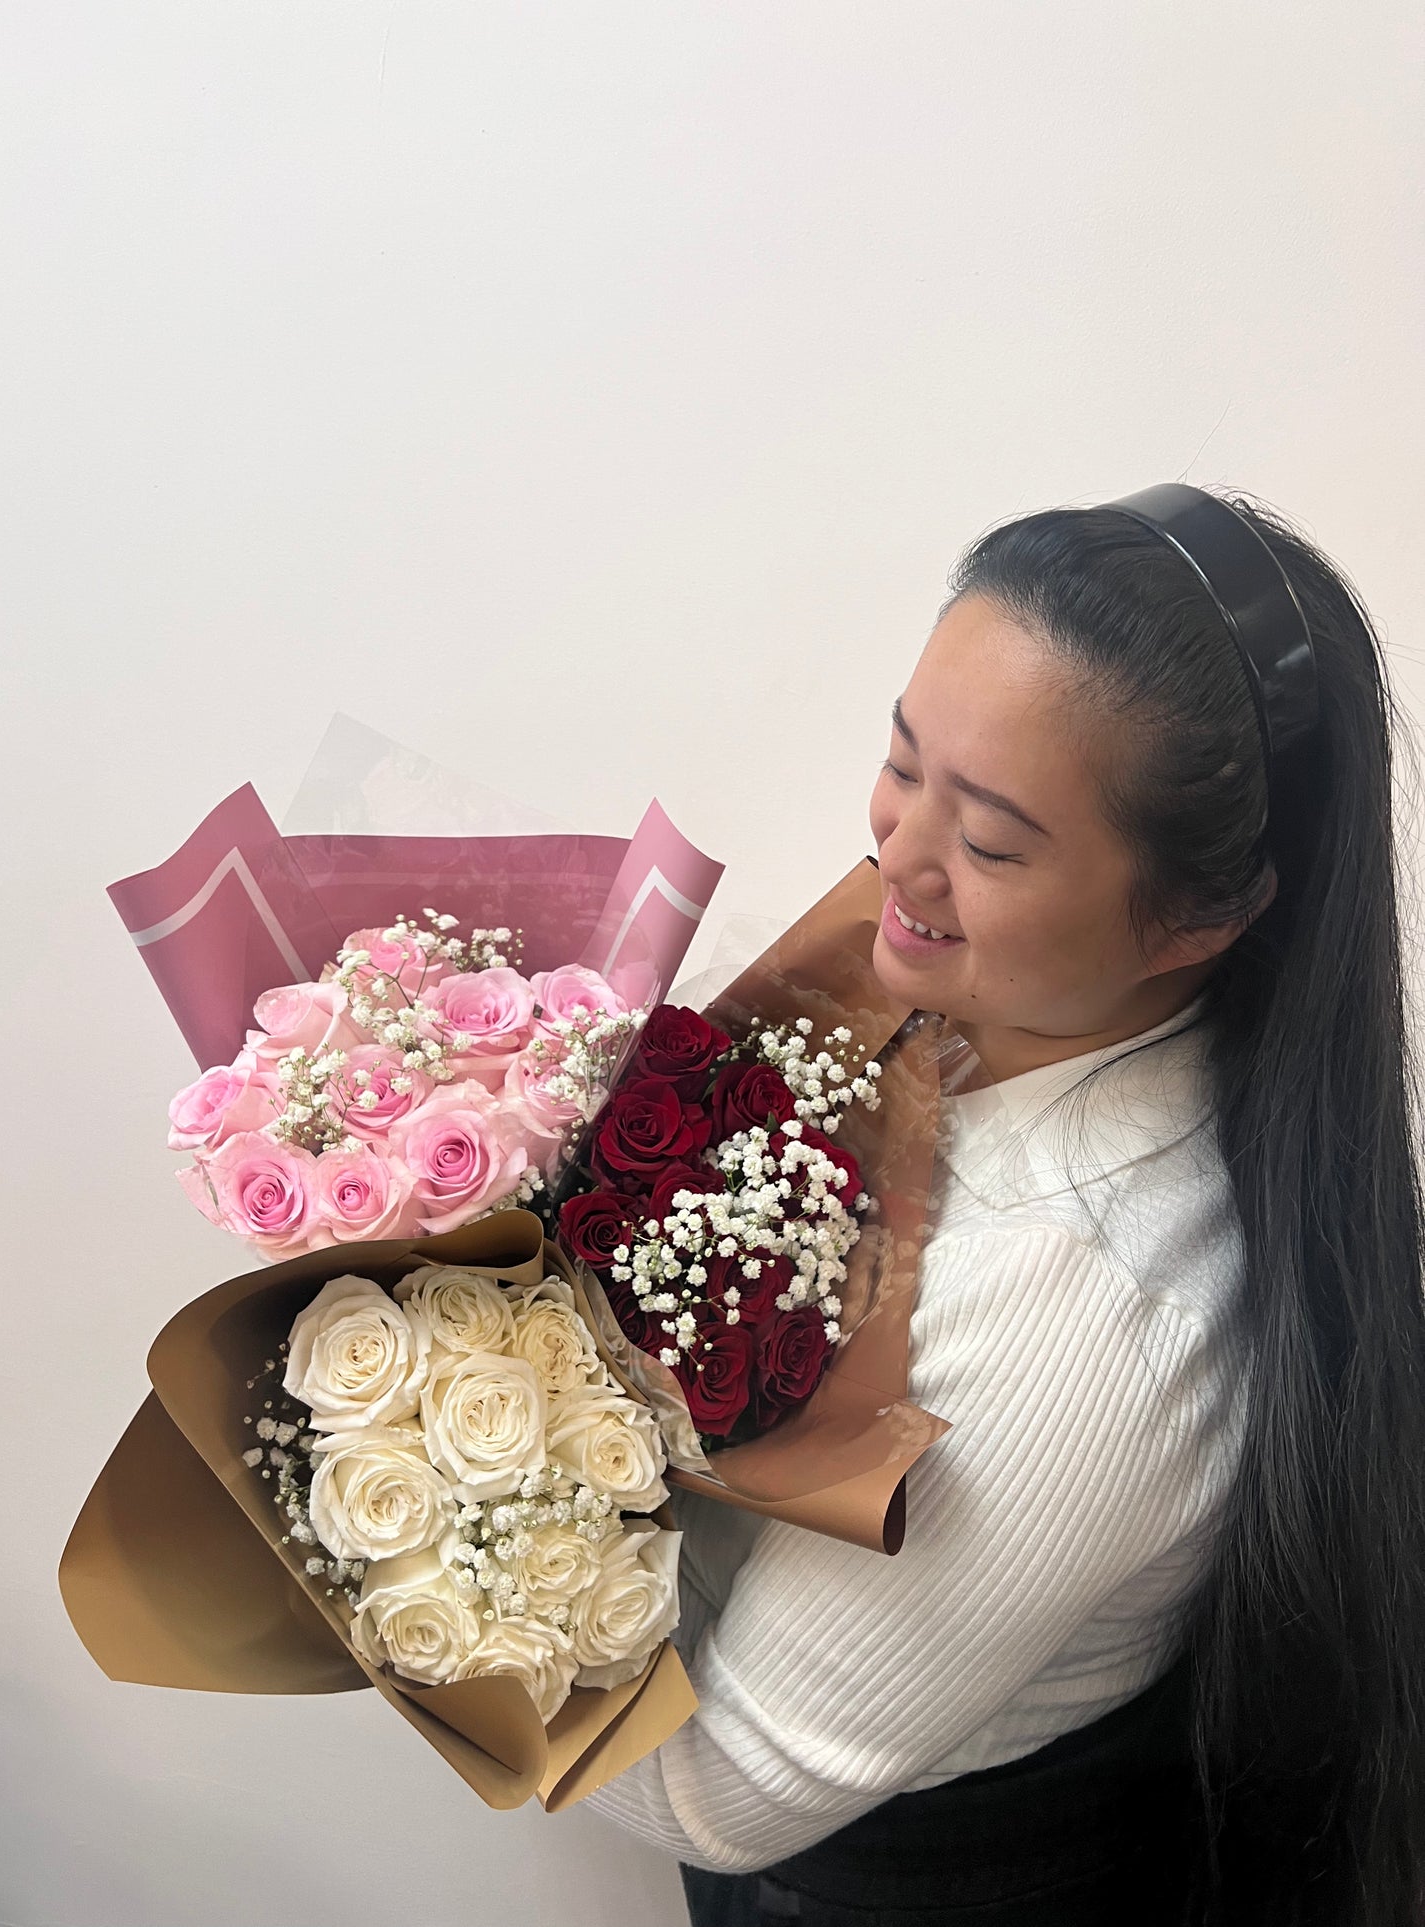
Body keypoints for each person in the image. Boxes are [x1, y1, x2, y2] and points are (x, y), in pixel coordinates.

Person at [584, 485, 1425, 1925]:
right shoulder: (971, 999)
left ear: (1195, 921)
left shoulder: (1086, 1317)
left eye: (990, 843)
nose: (899, 860)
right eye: (901, 763)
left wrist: (394, 1471)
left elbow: (711, 1786)